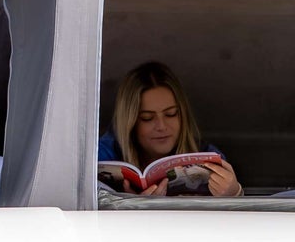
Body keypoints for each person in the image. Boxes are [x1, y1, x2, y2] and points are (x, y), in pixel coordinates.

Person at [99, 61, 243, 196]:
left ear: (182, 115)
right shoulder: (103, 157)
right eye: (147, 118)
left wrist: (234, 193)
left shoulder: (208, 156)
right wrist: (128, 205)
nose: (161, 126)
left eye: (171, 114)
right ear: (129, 122)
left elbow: (233, 210)